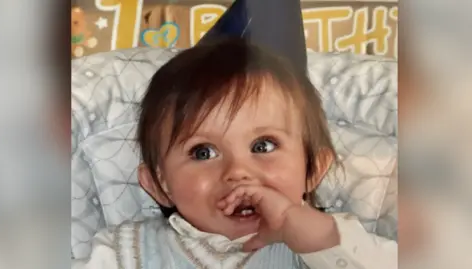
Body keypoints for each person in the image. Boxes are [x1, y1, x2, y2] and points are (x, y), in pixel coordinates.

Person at [72, 36, 396, 269]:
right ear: (159, 185)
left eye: (263, 146)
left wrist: (316, 235)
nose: (238, 171)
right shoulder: (125, 253)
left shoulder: (329, 245)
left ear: (313, 169)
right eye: (202, 152)